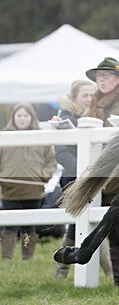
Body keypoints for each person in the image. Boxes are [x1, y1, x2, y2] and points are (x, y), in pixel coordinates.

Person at [84, 57, 119, 286]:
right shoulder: (94, 104)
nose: (102, 80)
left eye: (107, 75)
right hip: (103, 171)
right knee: (112, 228)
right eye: (99, 76)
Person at [52, 79, 114, 279]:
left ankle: (62, 268)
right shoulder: (65, 118)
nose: (89, 99)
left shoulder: (99, 115)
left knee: (89, 221)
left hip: (95, 176)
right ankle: (110, 273)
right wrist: (84, 173)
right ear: (74, 98)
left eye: (91, 95)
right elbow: (61, 152)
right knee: (89, 221)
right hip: (75, 177)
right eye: (84, 95)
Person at [0, 103, 58, 260]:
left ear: (32, 118)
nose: (22, 119)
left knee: (29, 228)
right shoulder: (4, 136)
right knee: (9, 227)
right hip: (9, 191)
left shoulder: (41, 137)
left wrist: (42, 177)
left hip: (34, 191)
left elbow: (50, 162)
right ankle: (6, 257)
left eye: (26, 115)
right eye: (19, 115)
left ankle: (27, 258)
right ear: (13, 117)